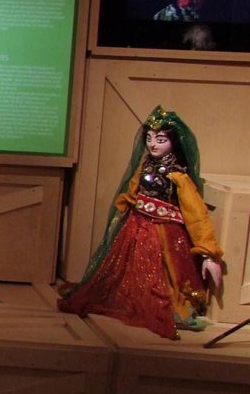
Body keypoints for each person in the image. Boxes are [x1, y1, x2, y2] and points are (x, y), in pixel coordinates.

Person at [58, 106, 222, 339]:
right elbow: (133, 189)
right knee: (130, 270)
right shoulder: (145, 165)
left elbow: (196, 215)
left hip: (166, 232)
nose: (153, 144)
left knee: (165, 274)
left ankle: (176, 309)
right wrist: (125, 206)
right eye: (149, 138)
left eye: (160, 139)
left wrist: (208, 254)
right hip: (136, 226)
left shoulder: (178, 176)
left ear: (173, 142)